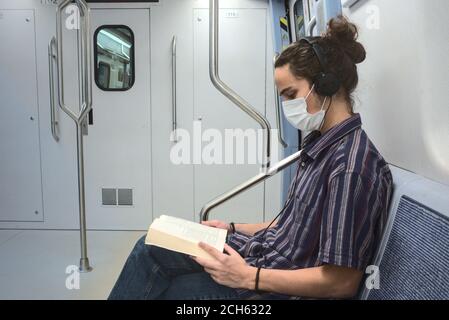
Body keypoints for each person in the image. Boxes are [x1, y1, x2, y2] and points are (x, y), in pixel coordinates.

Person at [108, 16, 393, 300]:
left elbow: (339, 283)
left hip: (271, 283)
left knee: (172, 292)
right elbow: (290, 226)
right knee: (150, 245)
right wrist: (232, 228)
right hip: (260, 256)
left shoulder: (350, 166)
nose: (287, 106)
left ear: (326, 85)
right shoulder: (321, 146)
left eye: (291, 94)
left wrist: (247, 277)